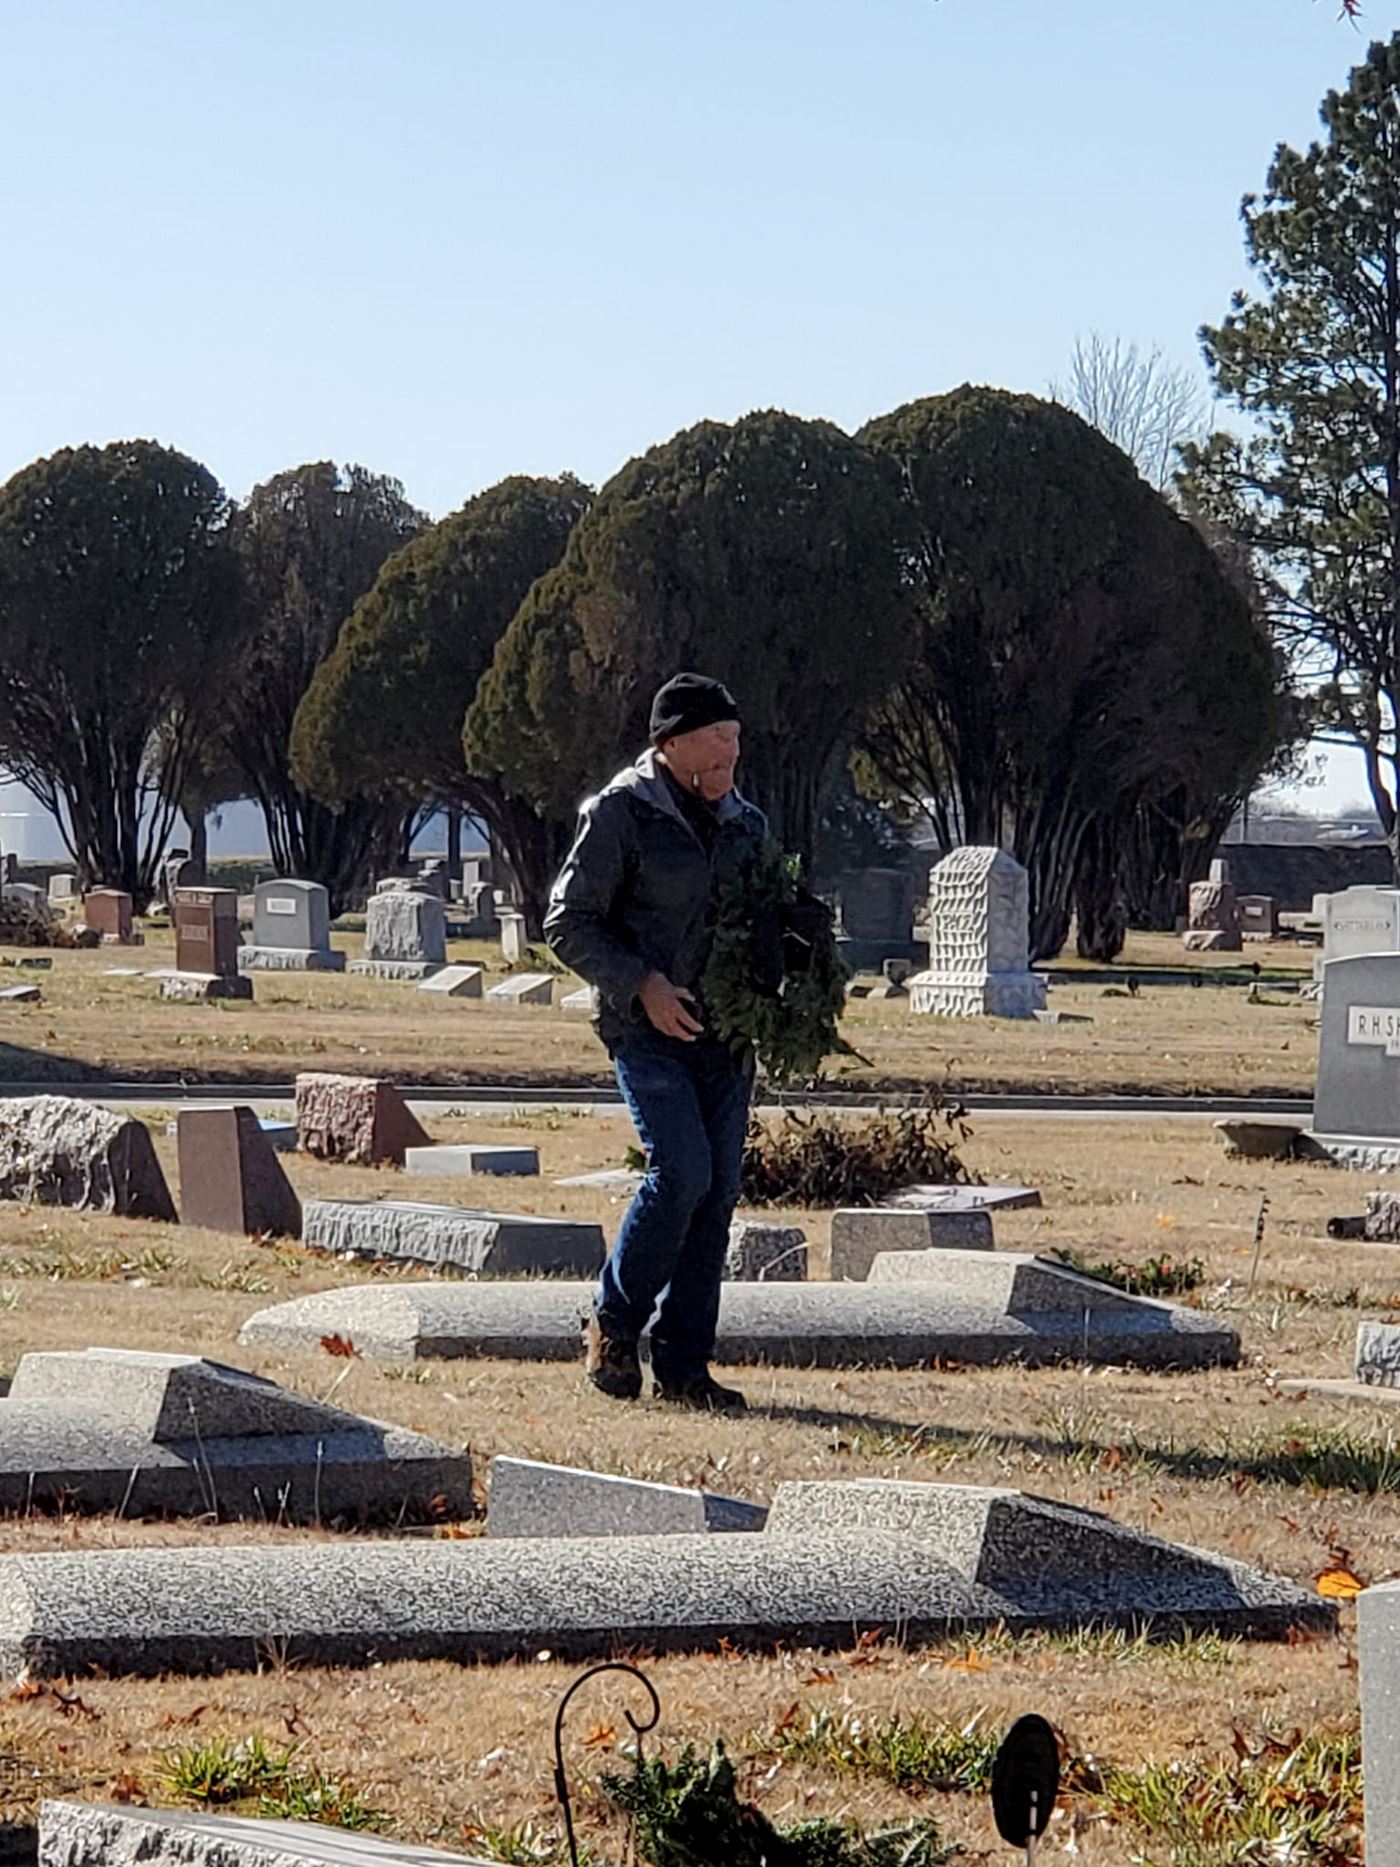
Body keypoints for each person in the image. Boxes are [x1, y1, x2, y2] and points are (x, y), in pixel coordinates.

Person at [544, 672, 766, 1412]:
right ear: (671, 745)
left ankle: (684, 1365)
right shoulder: (621, 813)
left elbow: (766, 912)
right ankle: (613, 1323)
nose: (732, 750)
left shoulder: (746, 823)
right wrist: (643, 983)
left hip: (726, 1036)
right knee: (681, 1173)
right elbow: (567, 921)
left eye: (736, 737)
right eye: (716, 737)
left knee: (717, 1193)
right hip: (645, 1030)